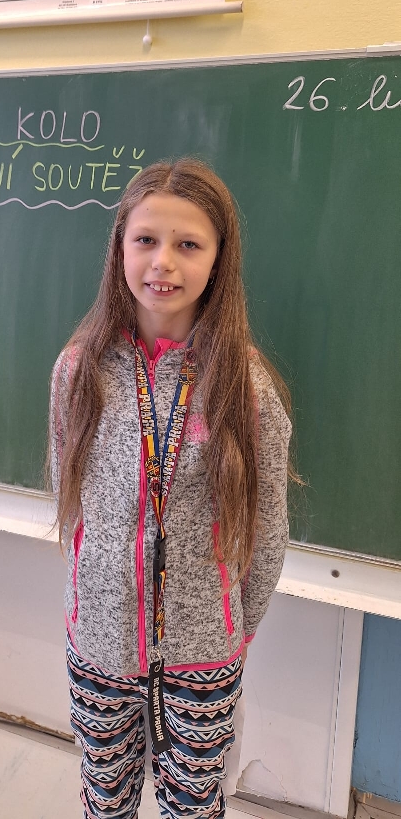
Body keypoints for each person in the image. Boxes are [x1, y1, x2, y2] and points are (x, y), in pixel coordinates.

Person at [48, 158, 294, 819]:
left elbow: (268, 530)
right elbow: (72, 504)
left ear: (218, 260)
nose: (164, 262)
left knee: (193, 805)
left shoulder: (245, 385)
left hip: (203, 657)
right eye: (146, 240)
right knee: (105, 799)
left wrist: (231, 629)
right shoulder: (78, 370)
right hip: (100, 646)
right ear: (119, 249)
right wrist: (87, 606)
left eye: (188, 244)